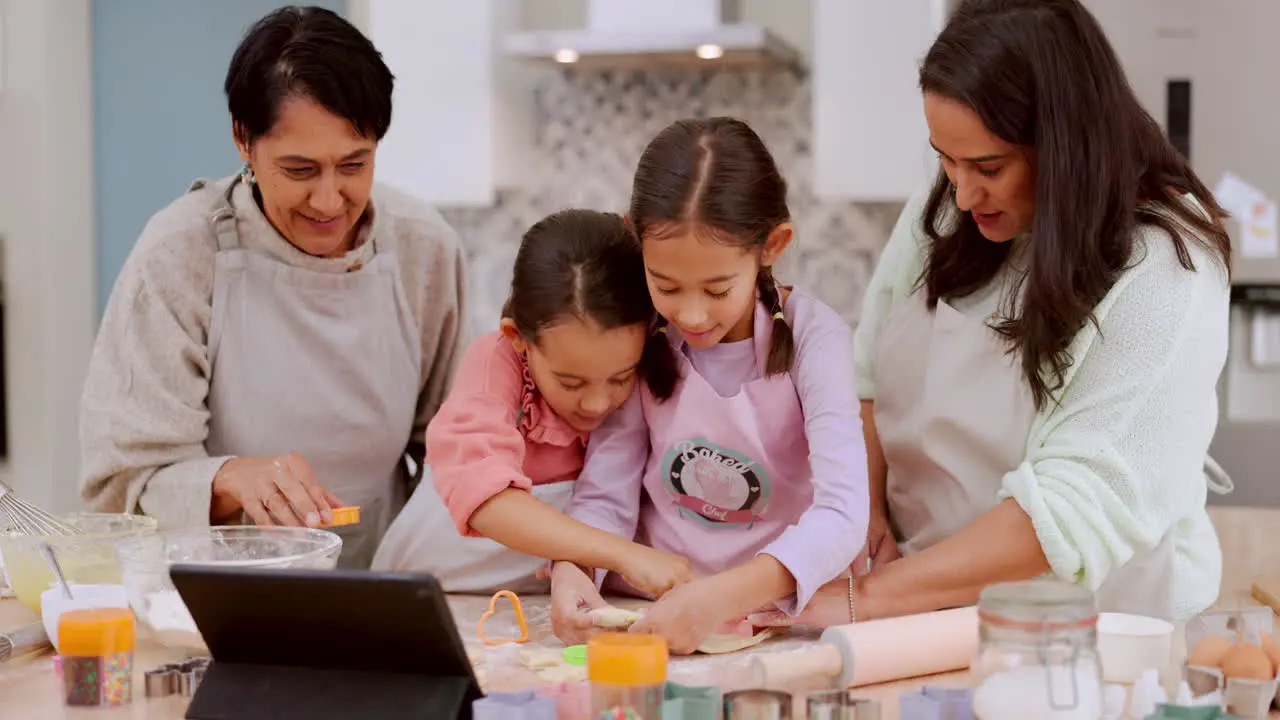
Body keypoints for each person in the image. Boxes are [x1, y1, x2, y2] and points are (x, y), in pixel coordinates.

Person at [750, 0, 1232, 628]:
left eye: (988, 167)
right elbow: (864, 378)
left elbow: (1071, 508)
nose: (961, 191)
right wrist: (860, 517)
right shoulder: (952, 204)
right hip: (923, 604)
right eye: (946, 160)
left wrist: (864, 598)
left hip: (1096, 633)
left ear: (1065, 144)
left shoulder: (1165, 262)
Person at [79, 6, 467, 569]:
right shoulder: (181, 253)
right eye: (300, 170)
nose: (330, 201)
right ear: (244, 141)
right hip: (214, 598)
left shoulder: (423, 249)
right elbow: (120, 487)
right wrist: (232, 477)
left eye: (354, 165)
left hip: (388, 585)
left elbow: (453, 450)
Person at [549, 117, 870, 654]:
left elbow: (843, 515)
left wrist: (725, 597)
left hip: (770, 618)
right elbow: (606, 493)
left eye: (718, 289)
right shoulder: (641, 336)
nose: (691, 315)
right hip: (647, 610)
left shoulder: (817, 339)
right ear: (637, 239)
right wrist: (574, 569)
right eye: (666, 285)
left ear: (773, 245)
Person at [371, 209, 694, 595]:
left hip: (547, 599)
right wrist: (622, 554)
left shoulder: (652, 371)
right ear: (518, 337)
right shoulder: (494, 364)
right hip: (434, 594)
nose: (596, 403)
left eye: (620, 377)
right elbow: (484, 498)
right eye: (570, 381)